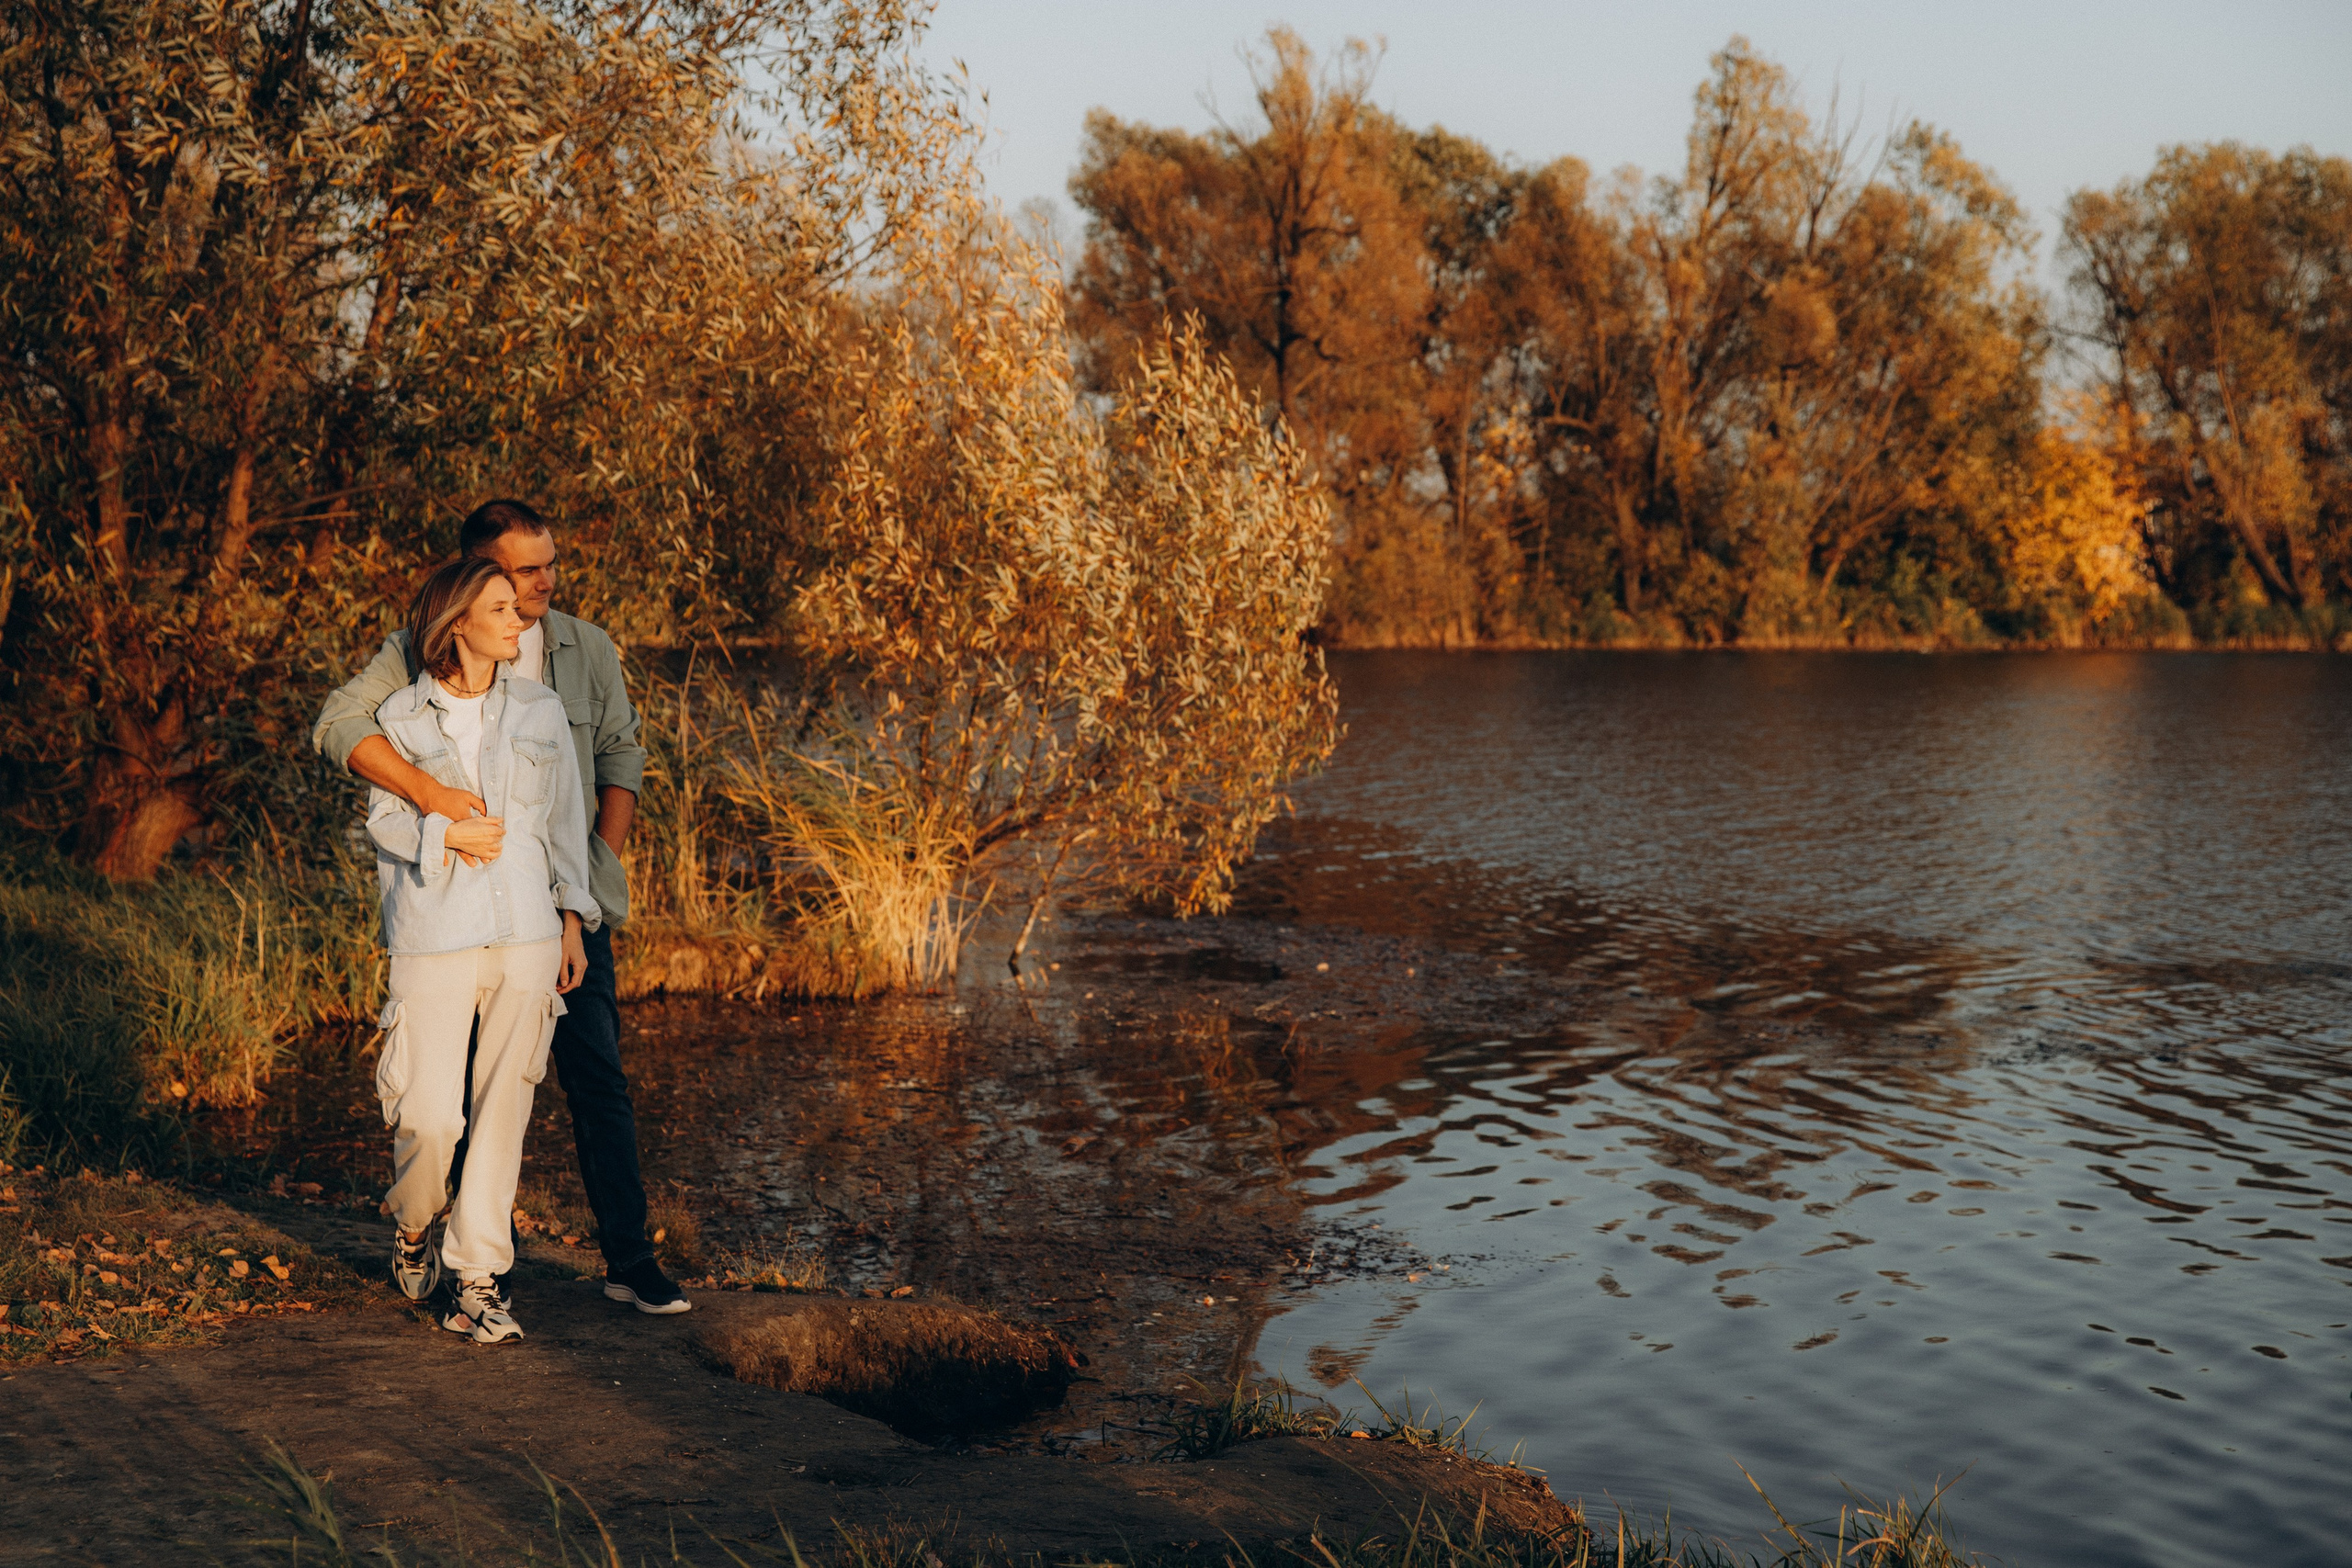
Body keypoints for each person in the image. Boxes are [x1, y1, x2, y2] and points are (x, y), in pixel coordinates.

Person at [315, 499, 690, 1315]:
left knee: (592, 1077)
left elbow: (619, 756)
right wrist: (437, 803)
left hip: (554, 912)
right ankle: (442, 1241)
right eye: (524, 571)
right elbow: (340, 726)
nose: (542, 585)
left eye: (549, 565)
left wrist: (584, 885)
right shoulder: (412, 654)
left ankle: (621, 1258)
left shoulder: (582, 650)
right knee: (440, 1103)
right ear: (476, 575)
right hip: (448, 920)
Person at [368, 557, 598, 1343]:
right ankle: (413, 1222)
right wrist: (444, 830)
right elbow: (383, 824)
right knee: (432, 1118)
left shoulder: (540, 711)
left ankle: (477, 1279)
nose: (519, 618)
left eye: (518, 608)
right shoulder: (398, 719)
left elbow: (566, 824)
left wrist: (573, 915)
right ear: (456, 621)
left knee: (505, 1106)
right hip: (433, 935)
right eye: (501, 607)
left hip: (528, 935)